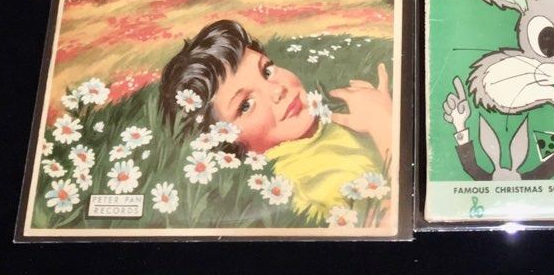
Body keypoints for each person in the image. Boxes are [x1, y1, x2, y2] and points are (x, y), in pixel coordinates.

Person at [159, 20, 392, 223]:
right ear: (224, 143)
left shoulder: (324, 123)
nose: (277, 90)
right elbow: (382, 224)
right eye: (246, 105)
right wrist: (383, 123)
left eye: (267, 71)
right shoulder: (310, 182)